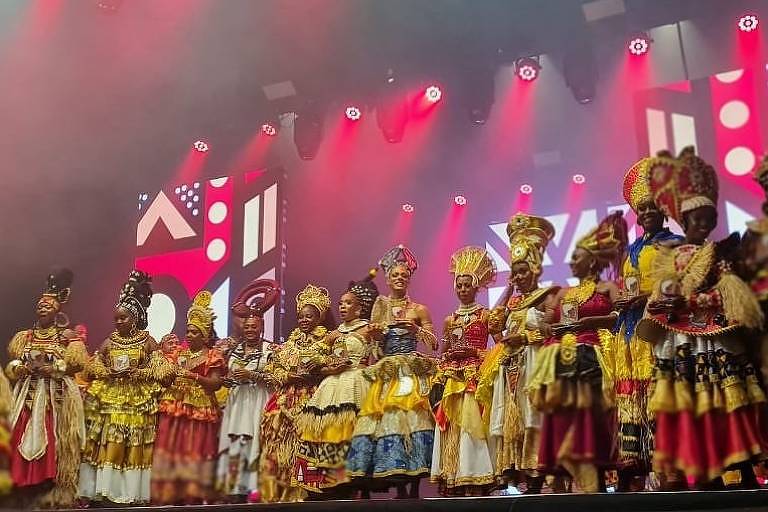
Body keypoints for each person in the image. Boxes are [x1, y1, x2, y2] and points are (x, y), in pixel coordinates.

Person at [636, 147, 767, 489]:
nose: (704, 225)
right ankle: (704, 466)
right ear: (685, 221)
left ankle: (739, 463)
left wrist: (700, 299)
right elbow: (663, 293)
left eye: (709, 220)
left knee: (727, 398)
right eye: (698, 220)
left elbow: (729, 292)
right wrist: (670, 301)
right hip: (682, 340)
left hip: (716, 334)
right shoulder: (673, 256)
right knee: (692, 402)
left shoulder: (721, 252)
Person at [527, 212, 627, 493]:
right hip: (562, 360)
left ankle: (593, 475)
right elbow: (549, 322)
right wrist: (547, 327)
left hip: (594, 357)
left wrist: (592, 322)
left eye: (577, 257)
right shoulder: (560, 294)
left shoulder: (607, 288)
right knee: (560, 417)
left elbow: (620, 315)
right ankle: (559, 478)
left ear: (592, 260)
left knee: (590, 416)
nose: (571, 262)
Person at [609, 159, 683, 491]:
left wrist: (644, 298)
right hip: (629, 330)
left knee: (658, 390)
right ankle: (635, 464)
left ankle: (667, 465)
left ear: (664, 210)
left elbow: (677, 285)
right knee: (632, 393)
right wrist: (623, 301)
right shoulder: (631, 250)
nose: (647, 213)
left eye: (653, 207)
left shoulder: (674, 243)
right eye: (642, 210)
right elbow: (627, 285)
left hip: (660, 326)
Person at [346, 246, 437, 499]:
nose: (399, 278)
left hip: (409, 369)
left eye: (404, 275)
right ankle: (394, 480)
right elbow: (373, 346)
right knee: (383, 420)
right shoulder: (380, 305)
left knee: (412, 419)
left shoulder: (419, 309)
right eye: (395, 275)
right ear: (387, 278)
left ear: (409, 278)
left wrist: (416, 330)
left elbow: (434, 343)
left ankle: (414, 483)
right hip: (386, 370)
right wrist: (375, 336)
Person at [80, 270, 173, 505]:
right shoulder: (110, 341)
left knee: (133, 444)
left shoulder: (147, 341)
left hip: (137, 400)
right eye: (116, 319)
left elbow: (165, 373)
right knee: (110, 442)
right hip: (112, 398)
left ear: (135, 318)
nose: (119, 322)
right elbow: (92, 366)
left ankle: (128, 493)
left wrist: (139, 372)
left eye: (124, 318)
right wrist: (107, 371)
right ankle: (105, 491)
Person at [483, 214, 560, 493]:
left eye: (523, 271)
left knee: (533, 415)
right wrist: (507, 289)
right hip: (511, 365)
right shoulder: (513, 300)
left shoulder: (549, 296)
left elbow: (554, 331)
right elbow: (493, 326)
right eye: (514, 272)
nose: (517, 277)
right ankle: (514, 470)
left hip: (534, 363)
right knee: (511, 418)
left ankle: (537, 473)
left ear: (536, 269)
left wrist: (526, 336)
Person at [292, 271, 381, 497]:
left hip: (358, 382)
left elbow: (380, 356)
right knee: (329, 431)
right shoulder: (332, 335)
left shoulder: (368, 329)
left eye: (348, 303)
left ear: (359, 308)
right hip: (332, 386)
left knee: (357, 430)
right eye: (340, 303)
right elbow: (310, 360)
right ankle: (333, 480)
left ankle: (358, 479)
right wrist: (329, 368)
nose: (342, 307)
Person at [6, 269, 86, 508]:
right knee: (20, 434)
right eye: (40, 305)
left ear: (58, 310)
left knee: (53, 437)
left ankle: (48, 484)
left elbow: (77, 364)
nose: (42, 308)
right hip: (28, 394)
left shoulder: (66, 337)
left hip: (54, 396)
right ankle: (22, 484)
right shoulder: (25, 336)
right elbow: (13, 364)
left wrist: (54, 369)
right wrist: (20, 369)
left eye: (48, 306)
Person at [430, 246, 501, 496]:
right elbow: (445, 351)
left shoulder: (486, 315)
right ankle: (455, 474)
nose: (462, 289)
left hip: (475, 376)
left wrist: (474, 354)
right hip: (453, 377)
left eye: (466, 285)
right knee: (452, 426)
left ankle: (476, 473)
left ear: (476, 286)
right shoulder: (450, 320)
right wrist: (449, 356)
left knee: (473, 424)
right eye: (458, 285)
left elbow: (500, 346)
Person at [259, 283, 333, 503]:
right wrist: (290, 377)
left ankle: (304, 494)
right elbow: (273, 370)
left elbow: (333, 365)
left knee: (306, 447)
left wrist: (313, 374)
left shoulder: (327, 341)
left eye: (309, 316)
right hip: (284, 399)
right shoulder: (289, 343)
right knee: (277, 446)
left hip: (311, 399)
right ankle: (277, 494)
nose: (303, 320)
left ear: (319, 318)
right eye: (301, 316)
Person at [152, 291, 225, 504]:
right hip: (175, 405)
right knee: (172, 446)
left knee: (194, 448)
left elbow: (216, 383)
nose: (189, 335)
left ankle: (192, 495)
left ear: (204, 335)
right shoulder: (177, 354)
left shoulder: (213, 356)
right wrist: (166, 372)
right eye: (188, 331)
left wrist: (194, 376)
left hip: (200, 408)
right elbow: (165, 380)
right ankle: (168, 493)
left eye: (194, 332)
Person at [215, 279, 279, 501]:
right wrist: (227, 380)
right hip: (237, 403)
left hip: (259, 401)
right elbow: (226, 379)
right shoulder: (233, 351)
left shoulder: (270, 350)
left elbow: (276, 379)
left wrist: (252, 375)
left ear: (261, 327)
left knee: (257, 442)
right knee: (236, 443)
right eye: (247, 326)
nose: (250, 330)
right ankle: (235, 488)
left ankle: (257, 488)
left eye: (255, 327)